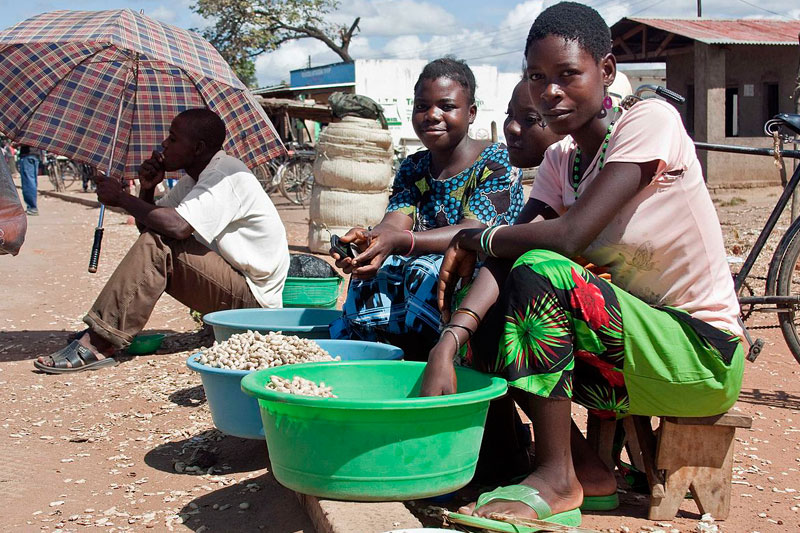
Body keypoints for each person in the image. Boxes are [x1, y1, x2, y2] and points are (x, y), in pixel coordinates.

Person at [421, 2, 744, 528]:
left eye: (568, 74)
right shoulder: (559, 160)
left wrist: (475, 236)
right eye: (537, 77)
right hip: (625, 361)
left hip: (702, 356)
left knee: (543, 269)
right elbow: (501, 259)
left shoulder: (649, 122)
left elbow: (569, 237)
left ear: (607, 72)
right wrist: (452, 339)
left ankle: (555, 476)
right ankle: (588, 471)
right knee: (492, 299)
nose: (550, 91)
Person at [34, 109, 290, 374]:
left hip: (255, 306)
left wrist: (122, 198)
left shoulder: (225, 173)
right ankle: (103, 331)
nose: (164, 145)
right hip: (235, 290)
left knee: (161, 243)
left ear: (198, 147)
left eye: (173, 138)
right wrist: (147, 188)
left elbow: (176, 228)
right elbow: (150, 224)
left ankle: (100, 341)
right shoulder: (194, 179)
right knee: (157, 238)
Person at [329, 57, 525, 359]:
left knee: (425, 271)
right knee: (372, 276)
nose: (432, 115)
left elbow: (473, 232)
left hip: (483, 273)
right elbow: (395, 223)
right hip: (422, 268)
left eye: (446, 107)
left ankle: (436, 364)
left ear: (471, 113)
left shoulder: (497, 161)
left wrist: (404, 242)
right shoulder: (414, 166)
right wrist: (370, 241)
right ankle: (382, 364)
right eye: (421, 106)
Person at [18, 144, 41, 216]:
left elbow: (24, 141)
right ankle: (32, 206)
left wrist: (16, 143)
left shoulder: (26, 133)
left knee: (28, 182)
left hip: (27, 155)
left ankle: (32, 207)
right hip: (35, 155)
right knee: (32, 181)